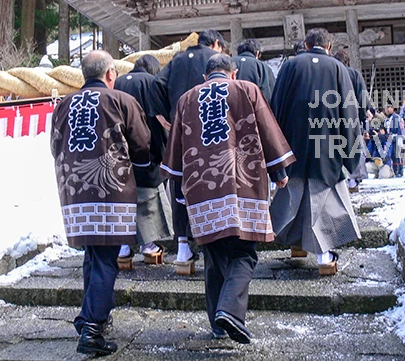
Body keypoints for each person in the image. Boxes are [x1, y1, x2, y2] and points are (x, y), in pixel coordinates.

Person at [162, 54, 295, 344]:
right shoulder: (246, 90)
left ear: (205, 77)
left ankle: (218, 324)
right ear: (233, 74)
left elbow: (174, 155)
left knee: (213, 254)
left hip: (201, 188)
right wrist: (279, 172)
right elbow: (267, 131)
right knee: (243, 253)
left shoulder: (187, 98)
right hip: (241, 185)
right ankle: (230, 311)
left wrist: (180, 190)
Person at [50, 51, 151, 356]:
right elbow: (142, 144)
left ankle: (88, 319)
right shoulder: (120, 100)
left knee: (93, 257)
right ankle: (92, 329)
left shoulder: (63, 106)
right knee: (106, 258)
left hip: (74, 191)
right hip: (111, 191)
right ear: (110, 73)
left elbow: (55, 147)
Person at [270, 28, 362, 274]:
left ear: (307, 45)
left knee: (294, 196)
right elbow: (349, 113)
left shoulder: (290, 66)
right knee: (322, 199)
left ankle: (297, 245)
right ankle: (323, 256)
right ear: (329, 46)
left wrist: (274, 152)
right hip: (328, 140)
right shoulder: (337, 68)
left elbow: (275, 108)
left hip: (293, 141)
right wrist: (352, 155)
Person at [152, 29, 227, 267]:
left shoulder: (178, 59)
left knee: (180, 184)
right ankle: (214, 244)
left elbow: (157, 83)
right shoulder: (214, 61)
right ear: (216, 44)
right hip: (209, 130)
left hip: (180, 129)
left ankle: (183, 247)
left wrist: (164, 115)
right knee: (212, 181)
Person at [114, 55, 173, 264]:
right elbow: (160, 118)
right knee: (148, 198)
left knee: (123, 199)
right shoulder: (152, 82)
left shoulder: (118, 82)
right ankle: (148, 245)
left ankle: (122, 248)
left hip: (119, 150)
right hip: (146, 148)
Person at [334, 49, 371, 191]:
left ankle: (340, 178)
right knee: (354, 145)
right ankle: (355, 177)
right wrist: (363, 116)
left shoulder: (332, 73)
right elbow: (362, 96)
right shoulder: (354, 74)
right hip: (351, 115)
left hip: (334, 116)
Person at [384, 103, 403, 178]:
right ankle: (395, 171)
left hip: (396, 137)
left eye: (389, 107)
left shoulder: (396, 117)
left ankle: (399, 170)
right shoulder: (386, 119)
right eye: (386, 108)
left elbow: (399, 129)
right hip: (389, 139)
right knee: (392, 156)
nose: (387, 109)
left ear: (393, 108)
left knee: (397, 155)